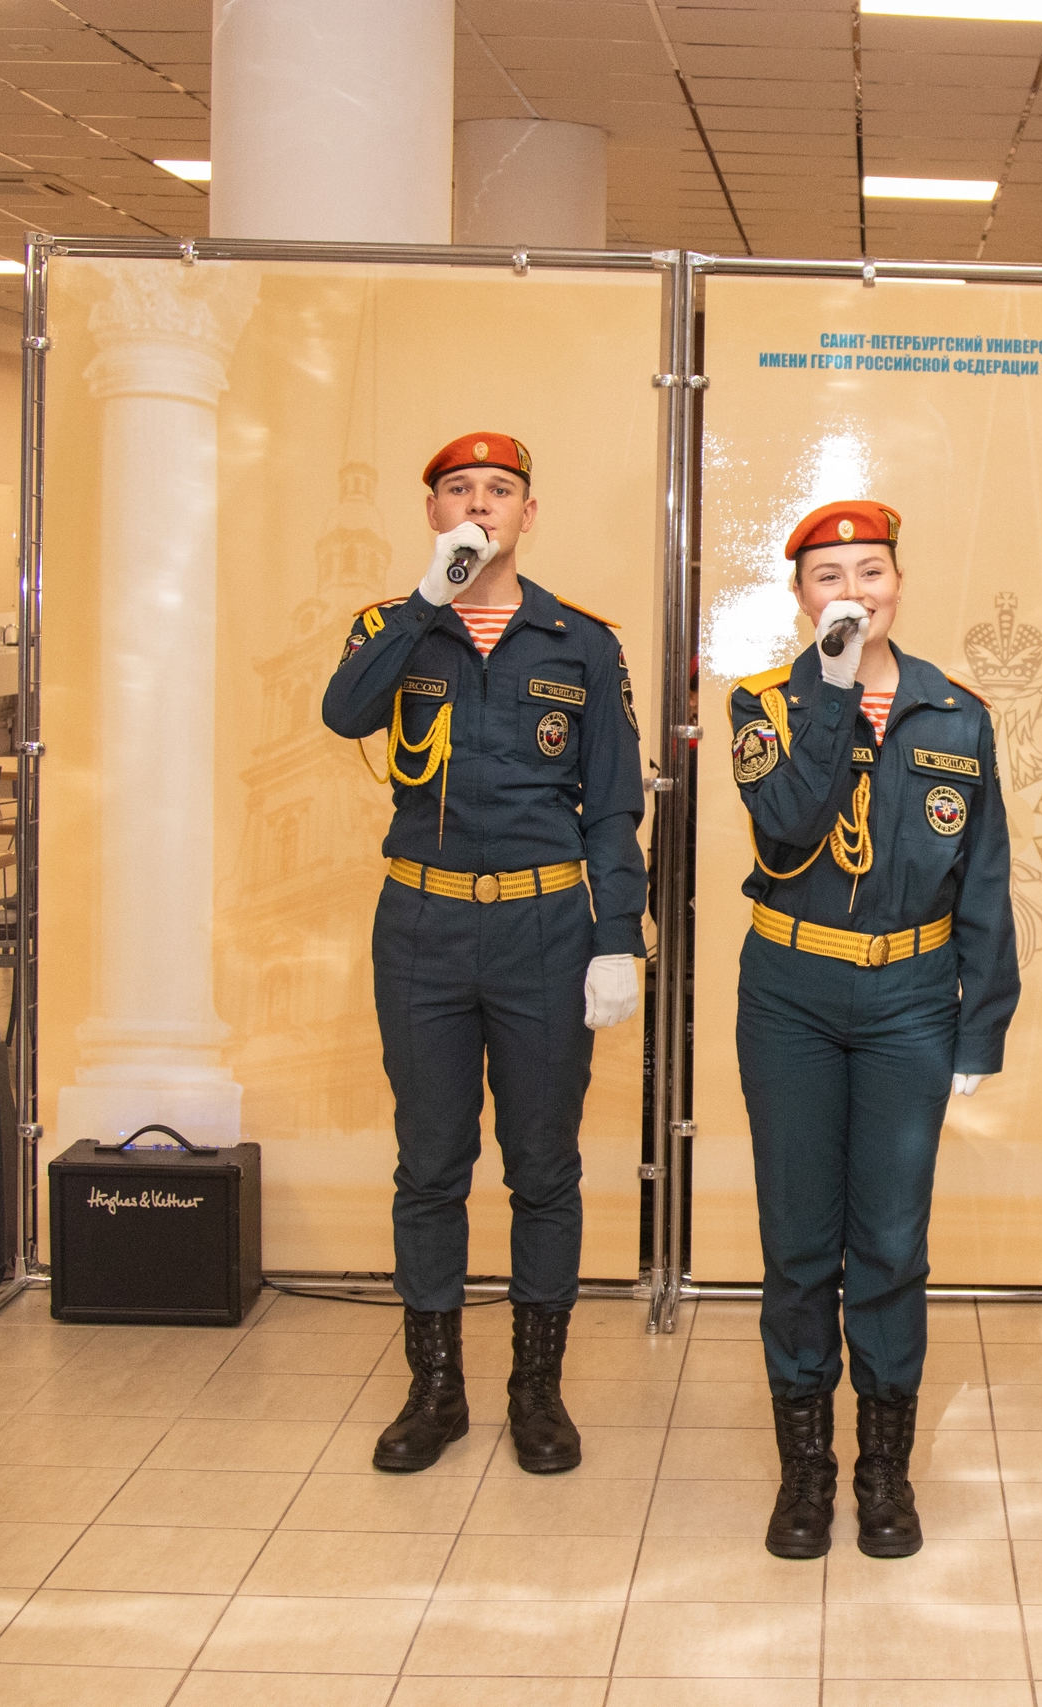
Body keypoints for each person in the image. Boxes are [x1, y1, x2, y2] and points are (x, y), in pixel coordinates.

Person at [321, 431, 647, 1475]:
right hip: (421, 925)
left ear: (527, 512)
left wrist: (617, 939)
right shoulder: (391, 627)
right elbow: (343, 713)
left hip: (544, 930)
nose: (478, 505)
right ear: (432, 513)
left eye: (498, 490)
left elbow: (614, 808)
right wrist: (430, 598)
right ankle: (436, 1390)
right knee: (430, 1164)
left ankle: (535, 1390)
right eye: (457, 490)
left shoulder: (581, 643)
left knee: (544, 1166)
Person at [730, 499, 1018, 1561]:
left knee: (892, 1243)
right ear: (799, 595)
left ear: (900, 582)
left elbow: (984, 881)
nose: (853, 592)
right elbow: (788, 822)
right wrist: (833, 690)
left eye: (871, 572)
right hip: (791, 995)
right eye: (829, 576)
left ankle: (884, 1469)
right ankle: (806, 1468)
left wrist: (980, 1027)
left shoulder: (957, 714)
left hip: (910, 999)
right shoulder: (762, 705)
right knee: (800, 1241)